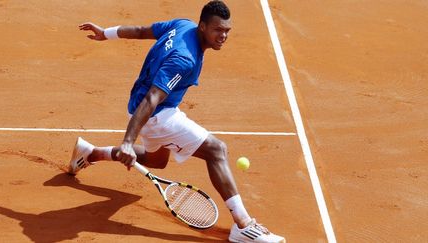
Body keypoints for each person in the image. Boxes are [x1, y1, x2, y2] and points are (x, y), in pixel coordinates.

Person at [69, 1, 285, 242]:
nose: (223, 36)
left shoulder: (182, 25)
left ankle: (91, 153)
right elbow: (152, 99)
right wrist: (128, 141)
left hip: (141, 104)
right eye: (217, 30)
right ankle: (243, 225)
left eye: (227, 30)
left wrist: (106, 33)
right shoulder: (184, 59)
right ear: (202, 27)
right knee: (216, 150)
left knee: (156, 161)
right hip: (155, 114)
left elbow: (142, 31)